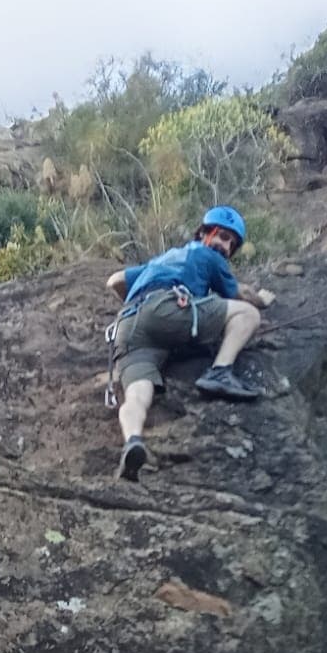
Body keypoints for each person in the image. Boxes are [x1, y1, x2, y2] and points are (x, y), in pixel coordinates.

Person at [105, 205, 277, 481]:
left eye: (230, 243)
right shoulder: (206, 254)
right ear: (204, 234)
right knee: (248, 314)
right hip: (169, 308)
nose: (225, 246)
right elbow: (238, 293)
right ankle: (220, 371)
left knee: (137, 394)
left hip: (127, 326)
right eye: (222, 236)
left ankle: (133, 441)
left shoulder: (162, 260)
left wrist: (142, 306)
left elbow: (114, 281)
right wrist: (262, 299)